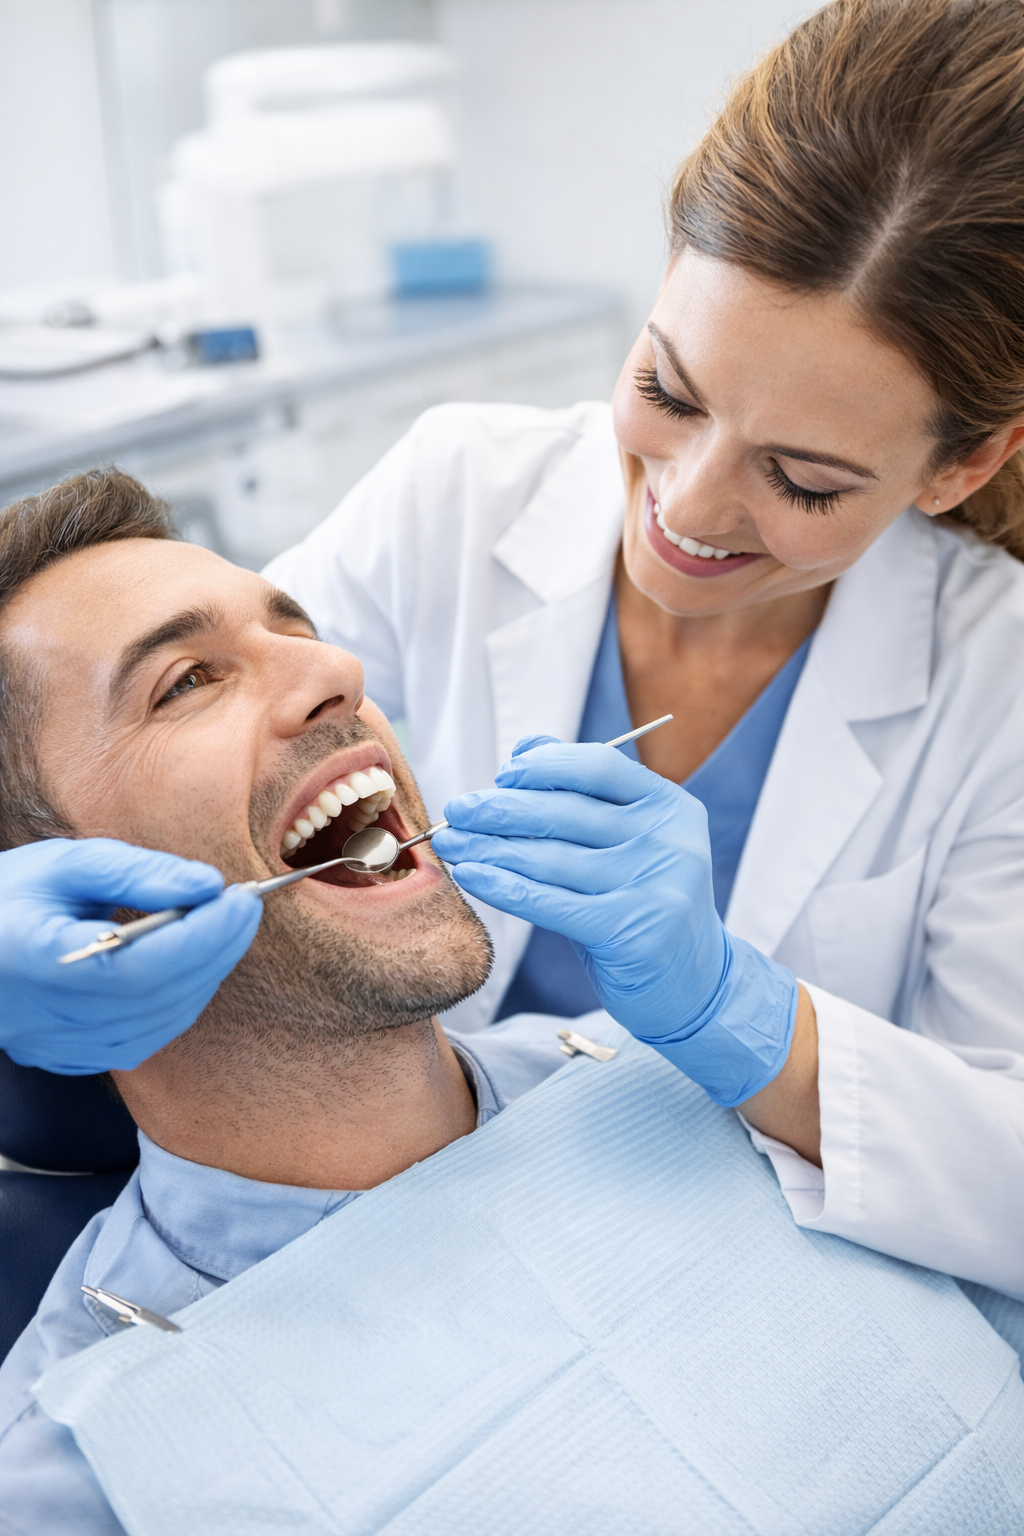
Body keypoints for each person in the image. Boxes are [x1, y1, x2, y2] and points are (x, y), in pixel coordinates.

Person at [2, 0, 1023, 1293]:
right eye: (668, 389)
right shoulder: (459, 493)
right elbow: (162, 763)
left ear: (966, 463)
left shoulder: (999, 682)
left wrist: (752, 1025)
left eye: (804, 480)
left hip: (744, 1296)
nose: (690, 508)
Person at [1, 469, 1021, 1536]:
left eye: (295, 626)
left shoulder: (686, 1070)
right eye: (186, 681)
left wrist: (746, 1016)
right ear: (55, 886)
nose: (336, 672)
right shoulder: (86, 1458)